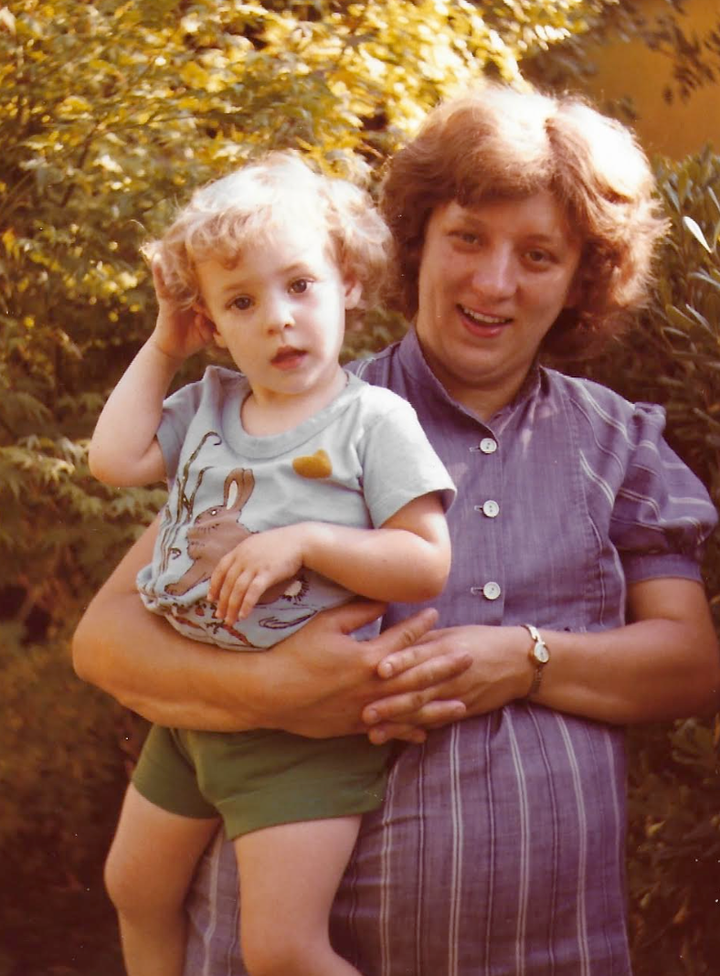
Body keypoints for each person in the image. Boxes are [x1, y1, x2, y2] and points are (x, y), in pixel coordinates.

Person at [74, 82, 720, 976]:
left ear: (583, 279)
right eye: (467, 238)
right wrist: (278, 689)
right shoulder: (300, 418)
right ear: (414, 243)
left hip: (556, 953)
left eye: (539, 254)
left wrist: (527, 660)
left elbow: (688, 665)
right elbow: (105, 641)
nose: (495, 281)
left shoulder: (618, 444)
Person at [86, 152, 455, 976]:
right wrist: (164, 343)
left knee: (283, 950)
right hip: (191, 716)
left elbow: (425, 561)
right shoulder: (211, 405)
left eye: (299, 286)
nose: (278, 319)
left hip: (300, 738)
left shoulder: (372, 421)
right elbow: (114, 459)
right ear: (212, 325)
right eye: (242, 302)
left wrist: (305, 542)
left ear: (349, 283)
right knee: (133, 889)